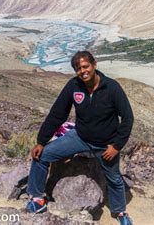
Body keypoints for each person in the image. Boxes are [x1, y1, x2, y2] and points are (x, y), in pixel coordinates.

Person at [25, 50, 134, 225]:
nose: (83, 71)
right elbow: (57, 114)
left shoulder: (112, 87)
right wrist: (41, 141)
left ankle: (120, 212)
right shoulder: (73, 86)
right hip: (80, 137)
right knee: (42, 155)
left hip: (105, 144)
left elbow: (127, 118)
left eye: (85, 66)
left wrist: (116, 146)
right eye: (78, 68)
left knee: (114, 179)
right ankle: (37, 199)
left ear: (94, 65)